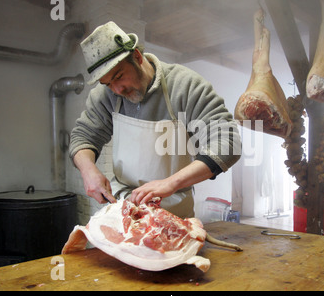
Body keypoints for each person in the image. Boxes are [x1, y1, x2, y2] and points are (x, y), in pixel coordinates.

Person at [69, 21, 241, 218]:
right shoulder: (105, 95)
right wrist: (88, 171)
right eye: (108, 83)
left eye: (119, 76)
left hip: (174, 210)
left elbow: (229, 143)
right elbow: (83, 136)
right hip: (125, 208)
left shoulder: (185, 85)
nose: (117, 90)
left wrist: (171, 183)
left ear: (137, 56)